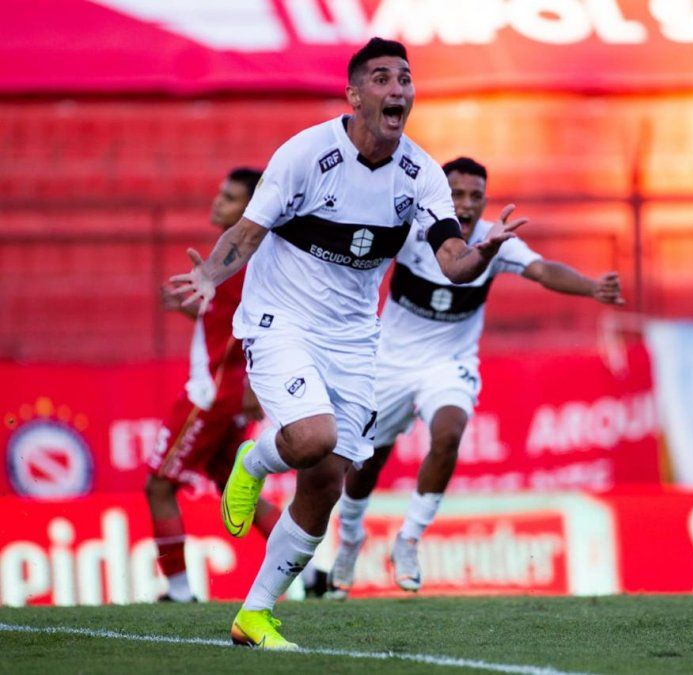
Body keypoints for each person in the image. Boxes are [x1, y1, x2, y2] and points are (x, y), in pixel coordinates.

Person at [168, 38, 526, 649]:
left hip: (356, 335)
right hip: (282, 318)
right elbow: (249, 231)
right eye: (382, 79)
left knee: (328, 479)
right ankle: (252, 462)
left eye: (405, 80)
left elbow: (453, 262)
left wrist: (483, 253)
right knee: (314, 438)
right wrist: (209, 275)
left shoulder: (420, 176)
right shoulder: (306, 155)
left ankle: (254, 613)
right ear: (354, 94)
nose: (397, 90)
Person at [326, 156, 624, 599]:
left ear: (485, 200)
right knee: (364, 463)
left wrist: (590, 286)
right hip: (388, 364)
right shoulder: (414, 231)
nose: (465, 206)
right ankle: (350, 539)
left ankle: (408, 540)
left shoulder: (492, 239)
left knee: (448, 433)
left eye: (475, 196)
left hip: (450, 364)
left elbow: (542, 270)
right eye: (456, 195)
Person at [146, 167, 284, 603]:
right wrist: (191, 311)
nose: (217, 201)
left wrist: (253, 388)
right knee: (231, 485)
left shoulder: (243, 263)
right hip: (226, 392)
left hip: (211, 395)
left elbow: (258, 327)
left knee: (159, 486)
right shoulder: (235, 258)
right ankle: (313, 570)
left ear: (250, 208)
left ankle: (180, 591)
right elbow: (227, 324)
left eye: (229, 197)